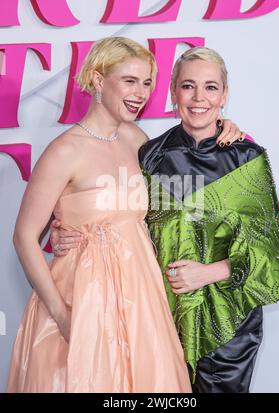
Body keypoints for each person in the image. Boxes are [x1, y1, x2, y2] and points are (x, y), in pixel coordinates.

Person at [7, 37, 194, 393]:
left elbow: (182, 186)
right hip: (81, 299)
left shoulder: (137, 139)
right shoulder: (64, 151)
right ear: (96, 79)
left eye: (147, 82)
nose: (140, 92)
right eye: (129, 80)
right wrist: (63, 317)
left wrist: (226, 129)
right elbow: (24, 237)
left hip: (140, 298)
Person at [138, 47, 279, 393]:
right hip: (166, 318)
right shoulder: (150, 155)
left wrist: (206, 273)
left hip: (230, 324)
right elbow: (131, 225)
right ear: (172, 92)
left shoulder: (246, 158)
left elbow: (270, 255)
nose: (199, 98)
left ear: (224, 95)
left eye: (210, 87)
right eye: (188, 86)